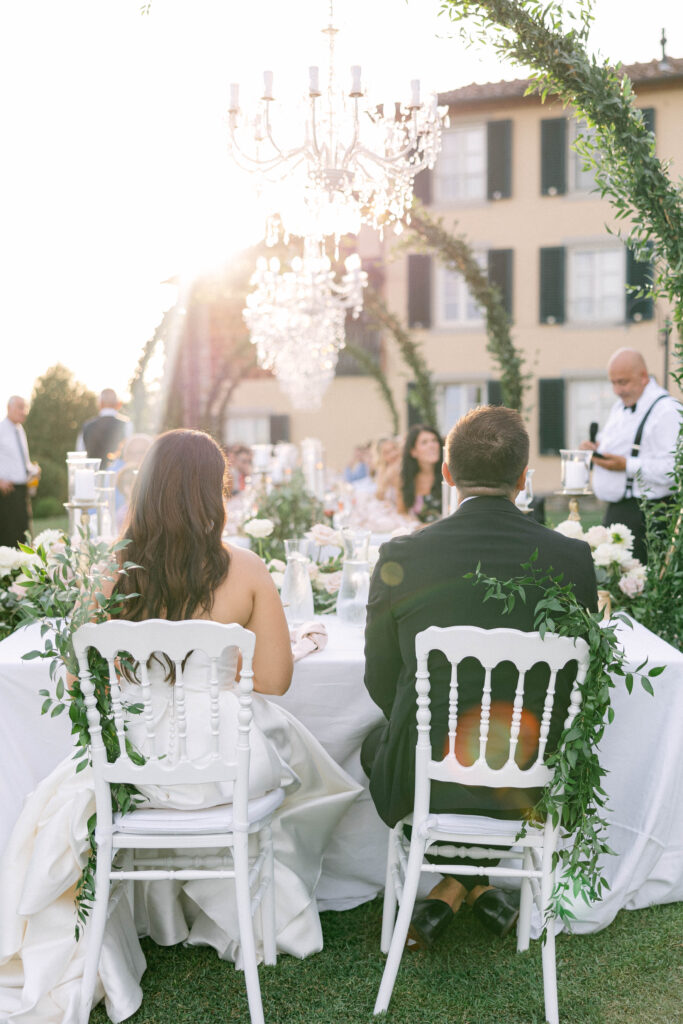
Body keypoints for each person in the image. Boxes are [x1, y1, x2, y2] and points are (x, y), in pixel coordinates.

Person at [0, 429, 360, 1023]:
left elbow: (74, 680)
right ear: (213, 493)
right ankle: (258, 909)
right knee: (299, 757)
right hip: (224, 770)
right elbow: (274, 680)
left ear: (147, 489)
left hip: (136, 768)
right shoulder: (243, 569)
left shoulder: (109, 569)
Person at [362, 406, 598, 949]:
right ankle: (475, 887)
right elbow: (570, 688)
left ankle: (451, 886)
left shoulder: (403, 555)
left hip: (428, 778)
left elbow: (380, 679)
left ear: (446, 473)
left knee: (379, 743)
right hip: (528, 779)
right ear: (522, 480)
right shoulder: (571, 558)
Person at [580, 348, 681, 564]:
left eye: (623, 382)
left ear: (643, 377)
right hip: (619, 512)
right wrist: (598, 449)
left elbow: (675, 469)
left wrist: (627, 465)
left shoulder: (667, 411)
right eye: (613, 383)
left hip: (648, 517)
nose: (617, 390)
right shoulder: (621, 406)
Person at [0, 395, 40, 547]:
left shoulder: (19, 430)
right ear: (9, 408)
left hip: (22, 492)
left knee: (25, 536)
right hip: (7, 493)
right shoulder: (1, 429)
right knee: (9, 537)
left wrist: (32, 470)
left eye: (25, 407)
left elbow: (20, 460)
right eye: (20, 407)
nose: (24, 411)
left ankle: (24, 569)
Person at [397, 424, 443, 522]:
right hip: (418, 535)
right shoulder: (407, 479)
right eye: (424, 442)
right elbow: (402, 513)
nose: (432, 445)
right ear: (413, 451)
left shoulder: (449, 476)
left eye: (434, 440)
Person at [77, 388, 131, 468]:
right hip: (118, 476)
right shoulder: (127, 425)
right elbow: (130, 453)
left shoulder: (87, 426)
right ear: (118, 404)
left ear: (100, 404)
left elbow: (80, 453)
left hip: (94, 475)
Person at [373, 436, 401, 505]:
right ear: (381, 456)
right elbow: (379, 497)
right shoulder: (382, 470)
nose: (393, 454)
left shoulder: (406, 467)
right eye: (387, 452)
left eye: (394, 448)